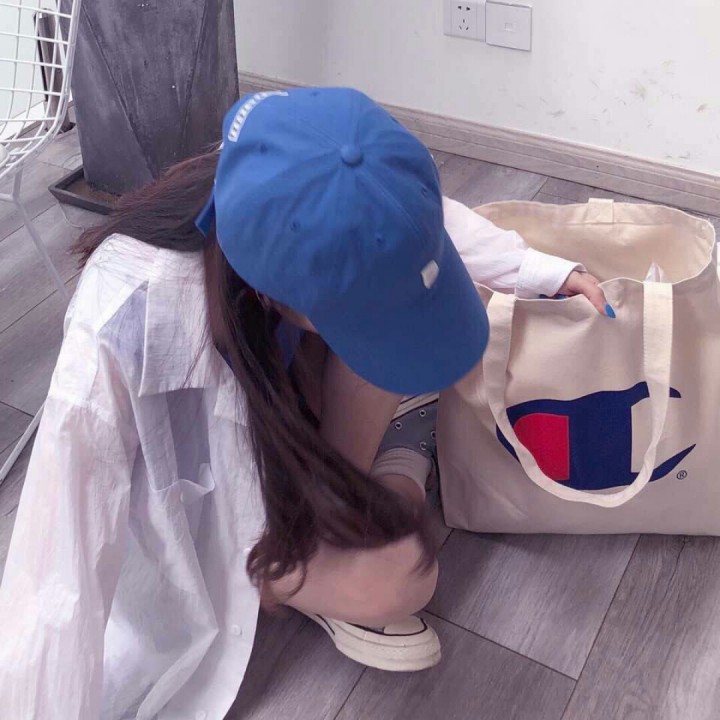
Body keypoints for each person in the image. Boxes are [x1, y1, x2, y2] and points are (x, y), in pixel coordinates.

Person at [0, 87, 608, 719]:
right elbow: (60, 562)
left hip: (291, 417)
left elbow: (410, 222)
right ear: (272, 291)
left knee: (408, 330)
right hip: (230, 512)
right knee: (407, 573)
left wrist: (540, 270)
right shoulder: (133, 311)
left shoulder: (288, 171)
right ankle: (306, 549)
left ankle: (358, 486)